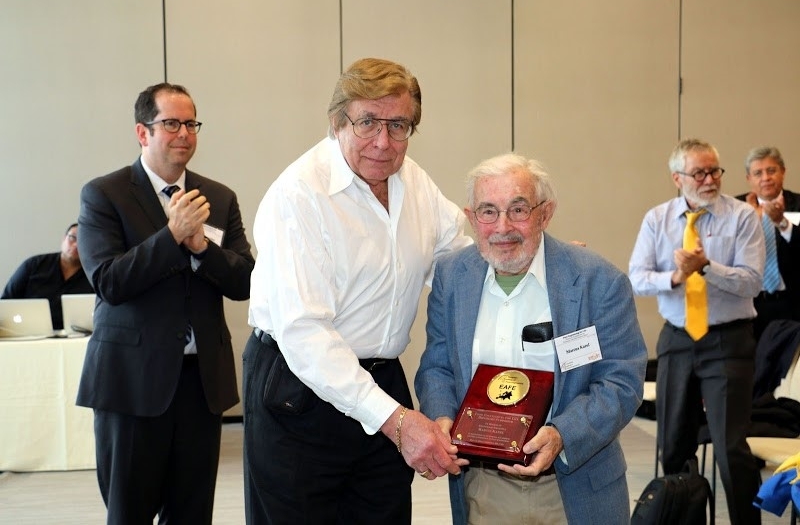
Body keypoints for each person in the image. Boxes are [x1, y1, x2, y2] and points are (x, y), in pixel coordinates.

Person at [244, 57, 472, 524]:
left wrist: (530, 260)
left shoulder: (415, 183)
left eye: (398, 125)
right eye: (367, 122)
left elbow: (460, 260)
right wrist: (399, 421)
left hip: (382, 379)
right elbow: (306, 333)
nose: (383, 142)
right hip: (298, 387)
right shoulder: (298, 196)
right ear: (336, 121)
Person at [414, 153, 647, 524]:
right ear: (472, 218)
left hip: (573, 485)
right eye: (488, 211)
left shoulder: (597, 282)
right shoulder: (452, 277)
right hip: (483, 490)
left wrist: (562, 435)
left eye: (518, 209)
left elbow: (621, 382)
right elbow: (437, 365)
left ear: (545, 213)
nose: (502, 227)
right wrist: (442, 418)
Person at [75, 82, 254, 524]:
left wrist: (201, 248)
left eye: (191, 123)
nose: (184, 134)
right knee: (129, 512)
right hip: (132, 384)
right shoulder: (105, 194)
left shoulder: (220, 196)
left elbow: (246, 280)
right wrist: (172, 237)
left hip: (201, 385)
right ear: (143, 132)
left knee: (192, 513)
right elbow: (109, 281)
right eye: (170, 123)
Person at [629, 138, 764, 525]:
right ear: (677, 178)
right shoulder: (657, 219)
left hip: (728, 338)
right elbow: (637, 278)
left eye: (715, 171)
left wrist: (706, 267)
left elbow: (753, 282)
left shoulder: (742, 217)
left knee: (729, 448)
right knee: (673, 444)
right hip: (677, 338)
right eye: (699, 173)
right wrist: (675, 275)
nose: (710, 180)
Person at [736, 146, 800, 340]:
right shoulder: (736, 209)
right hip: (750, 305)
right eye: (758, 173)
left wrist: (782, 223)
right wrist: (747, 224)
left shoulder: (798, 203)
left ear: (783, 172)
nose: (765, 178)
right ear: (749, 178)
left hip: (792, 302)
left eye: (771, 171)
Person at [2, 223, 93, 330]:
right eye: (73, 238)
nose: (76, 245)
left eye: (83, 240)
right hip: (28, 334)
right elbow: (5, 302)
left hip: (77, 338)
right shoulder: (33, 265)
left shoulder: (93, 274)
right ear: (64, 239)